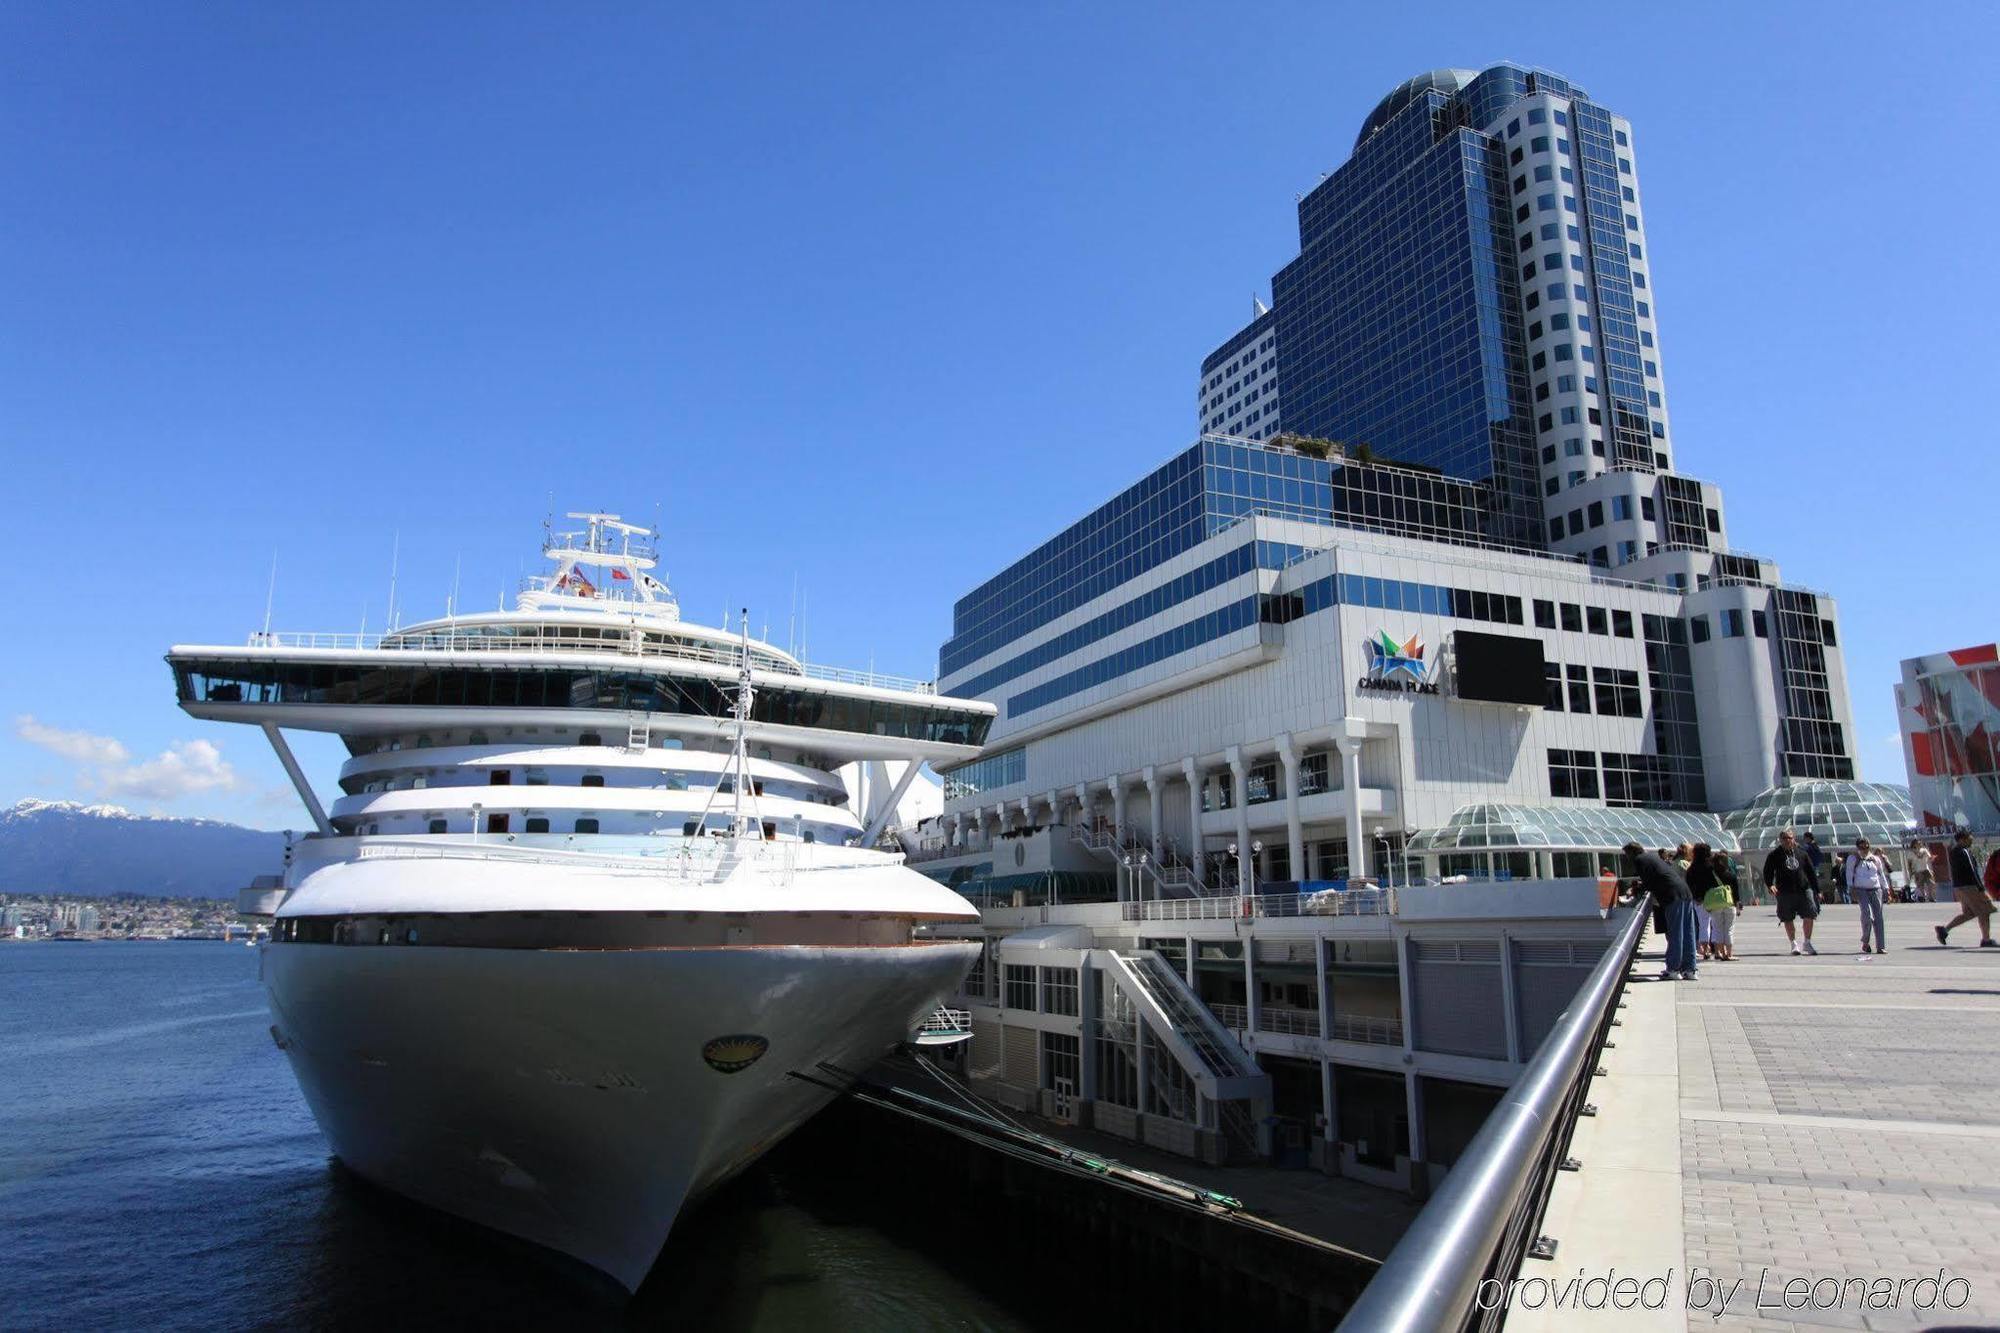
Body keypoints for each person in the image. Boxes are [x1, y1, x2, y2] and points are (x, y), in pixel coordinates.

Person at [1626, 841, 1697, 980]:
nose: (1627, 858)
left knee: (1675, 933)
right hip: (1685, 893)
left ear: (1632, 853)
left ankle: (1673, 970)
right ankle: (1690, 970)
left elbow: (1648, 882)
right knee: (1688, 932)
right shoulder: (1652, 857)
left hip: (1671, 895)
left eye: (1626, 854)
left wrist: (1634, 890)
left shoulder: (1639, 860)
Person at [1935, 830, 1997, 948]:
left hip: (1959, 887)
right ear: (1962, 839)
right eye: (1969, 837)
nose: (1971, 839)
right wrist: (1980, 887)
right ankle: (1986, 939)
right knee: (1984, 910)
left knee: (1969, 913)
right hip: (1970, 887)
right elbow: (1972, 870)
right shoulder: (1964, 851)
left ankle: (1944, 930)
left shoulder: (1953, 852)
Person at [1763, 829, 1820, 955]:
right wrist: (1770, 884)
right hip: (1784, 891)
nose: (1787, 840)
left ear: (1794, 839)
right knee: (1787, 917)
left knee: (1810, 914)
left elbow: (1811, 872)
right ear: (1780, 840)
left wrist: (1817, 890)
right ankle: (1794, 944)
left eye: (1790, 838)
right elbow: (1767, 871)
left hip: (1804, 889)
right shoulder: (1774, 855)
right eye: (1784, 838)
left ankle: (1807, 942)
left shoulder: (1802, 853)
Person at [1843, 838, 1892, 954]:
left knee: (1878, 917)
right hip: (1861, 889)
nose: (1864, 849)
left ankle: (1881, 946)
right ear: (1857, 847)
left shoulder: (1875, 859)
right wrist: (1851, 887)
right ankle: (1865, 941)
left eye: (1866, 846)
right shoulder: (1853, 858)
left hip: (1875, 889)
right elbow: (1849, 873)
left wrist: (1886, 888)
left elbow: (1880, 874)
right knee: (1867, 915)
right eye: (1861, 847)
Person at [1704, 849, 1739, 961]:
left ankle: (1720, 952)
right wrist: (1737, 905)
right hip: (1729, 903)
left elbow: (1706, 890)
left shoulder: (1710, 875)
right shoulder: (1731, 875)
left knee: (1717, 929)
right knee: (1729, 929)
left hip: (1716, 904)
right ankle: (1729, 954)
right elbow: (1736, 893)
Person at [1687, 841, 1718, 960]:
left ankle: (1704, 948)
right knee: (1715, 924)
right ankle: (1717, 948)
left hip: (1698, 899)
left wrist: (1696, 896)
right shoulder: (1711, 866)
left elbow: (1689, 884)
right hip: (1713, 898)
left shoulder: (1692, 868)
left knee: (1703, 924)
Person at [1801, 830, 1830, 901]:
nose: (1804, 840)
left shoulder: (1808, 847)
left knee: (1809, 884)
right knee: (1815, 883)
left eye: (1804, 838)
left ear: (1808, 838)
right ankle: (1817, 900)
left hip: (1810, 868)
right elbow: (1820, 858)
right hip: (1816, 867)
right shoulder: (1816, 846)